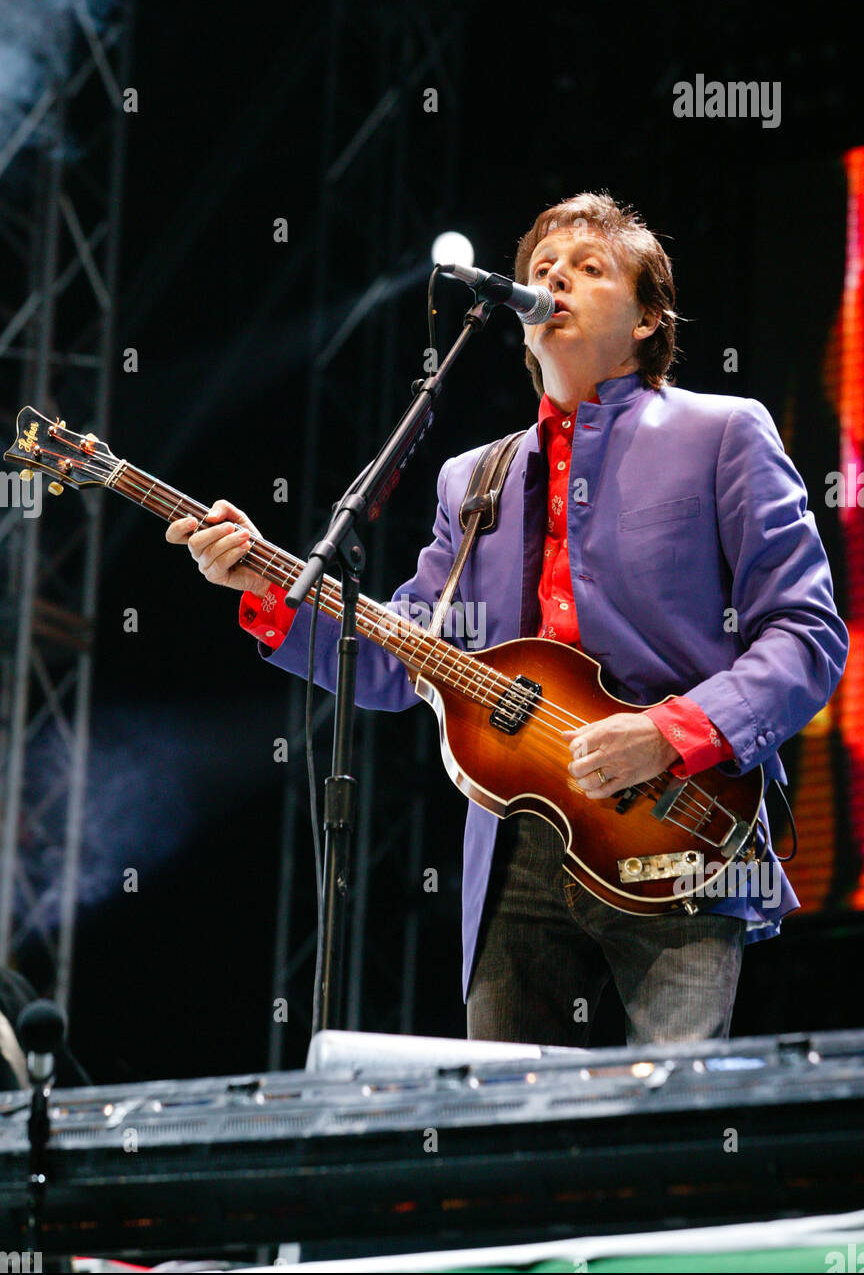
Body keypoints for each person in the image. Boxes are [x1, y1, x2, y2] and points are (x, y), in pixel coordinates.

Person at [166, 193, 848, 1048]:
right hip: (517, 843)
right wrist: (269, 584)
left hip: (682, 821)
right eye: (539, 271)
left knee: (669, 1117)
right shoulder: (473, 478)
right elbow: (399, 655)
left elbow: (807, 636)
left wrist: (672, 732)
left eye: (589, 268)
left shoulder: (724, 433)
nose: (554, 276)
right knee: (510, 1138)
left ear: (647, 319)